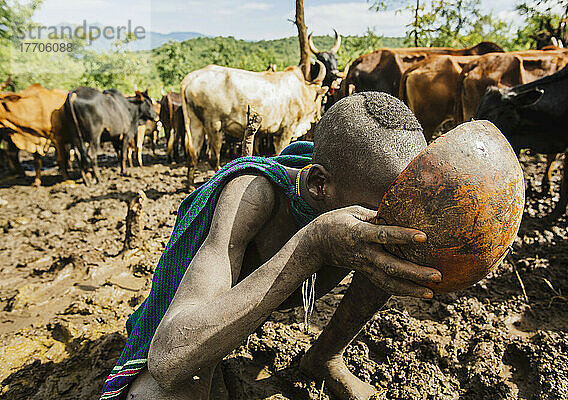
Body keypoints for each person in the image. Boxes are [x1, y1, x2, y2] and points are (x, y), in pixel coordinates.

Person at [101, 92, 442, 400]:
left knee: (390, 247)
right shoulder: (253, 197)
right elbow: (169, 359)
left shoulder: (372, 193)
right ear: (319, 185)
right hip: (209, 311)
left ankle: (325, 355)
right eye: (386, 207)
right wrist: (311, 247)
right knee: (159, 395)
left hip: (259, 301)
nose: (398, 215)